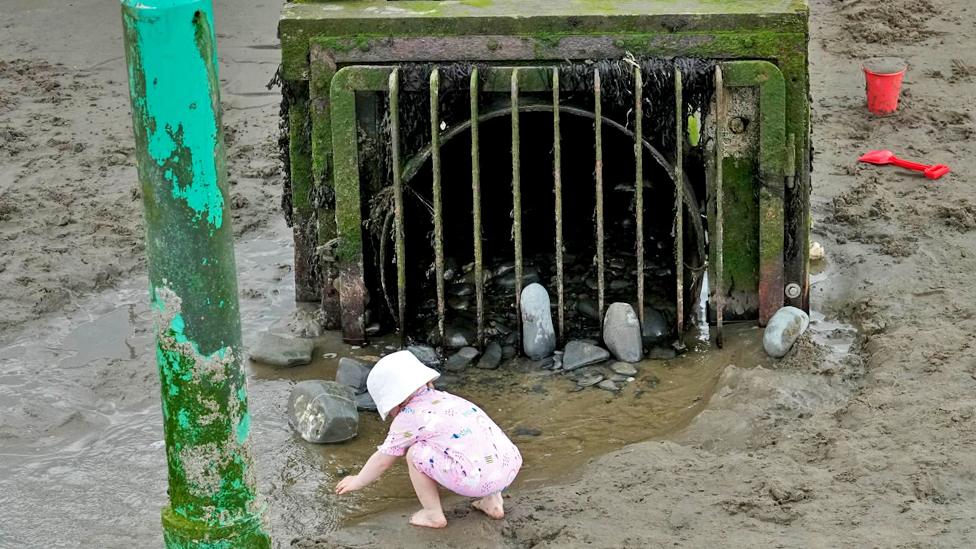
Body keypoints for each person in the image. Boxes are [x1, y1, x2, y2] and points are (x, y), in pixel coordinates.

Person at [335, 350, 523, 528]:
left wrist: (358, 480)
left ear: (392, 401)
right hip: (510, 464)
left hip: (477, 480)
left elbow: (383, 460)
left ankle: (432, 514)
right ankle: (492, 501)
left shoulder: (407, 417)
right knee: (476, 439)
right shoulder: (446, 398)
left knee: (415, 454)